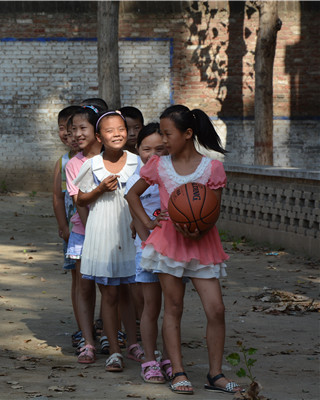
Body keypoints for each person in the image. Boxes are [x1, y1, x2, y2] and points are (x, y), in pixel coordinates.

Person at [125, 105, 243, 395]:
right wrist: (150, 224)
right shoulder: (159, 165)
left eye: (168, 134)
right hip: (169, 244)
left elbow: (212, 210)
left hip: (203, 243)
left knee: (216, 309)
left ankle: (215, 374)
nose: (163, 140)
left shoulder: (212, 168)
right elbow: (132, 195)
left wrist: (199, 228)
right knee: (173, 307)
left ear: (188, 134)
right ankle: (178, 372)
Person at [74, 110, 140, 372]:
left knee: (129, 293)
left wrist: (141, 221)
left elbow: (147, 196)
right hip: (101, 232)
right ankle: (114, 351)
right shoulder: (92, 165)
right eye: (110, 131)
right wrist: (100, 189)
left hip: (129, 231)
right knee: (110, 294)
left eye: (121, 129)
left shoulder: (137, 162)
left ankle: (133, 344)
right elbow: (80, 199)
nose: (117, 134)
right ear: (99, 137)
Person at [125, 122, 171, 384]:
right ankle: (150, 359)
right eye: (146, 149)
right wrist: (148, 233)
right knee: (150, 308)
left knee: (173, 307)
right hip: (147, 251)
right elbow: (135, 215)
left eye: (160, 149)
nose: (153, 155)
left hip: (173, 252)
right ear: (137, 149)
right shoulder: (136, 179)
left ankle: (170, 358)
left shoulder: (172, 175)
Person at [63, 105, 102, 363]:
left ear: (97, 130)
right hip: (84, 232)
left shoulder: (113, 158)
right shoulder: (73, 164)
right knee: (85, 287)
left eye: (82, 128)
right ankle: (88, 341)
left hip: (113, 234)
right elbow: (79, 202)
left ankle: (111, 336)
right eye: (73, 129)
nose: (77, 134)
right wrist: (92, 233)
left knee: (112, 289)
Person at [52, 105, 82, 346]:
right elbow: (58, 197)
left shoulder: (98, 160)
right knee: (78, 279)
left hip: (96, 227)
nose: (69, 134)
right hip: (74, 231)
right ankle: (83, 327)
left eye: (73, 128)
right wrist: (63, 225)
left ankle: (105, 326)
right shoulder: (63, 162)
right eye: (63, 128)